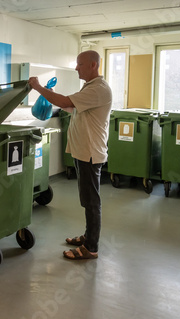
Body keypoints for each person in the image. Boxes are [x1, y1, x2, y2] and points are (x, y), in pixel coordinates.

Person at [28, 50, 112, 260]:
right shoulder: (90, 88)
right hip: (82, 152)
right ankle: (87, 236)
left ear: (93, 65)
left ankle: (91, 247)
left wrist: (38, 88)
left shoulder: (99, 89)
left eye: (79, 64)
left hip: (90, 153)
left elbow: (67, 100)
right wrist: (51, 97)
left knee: (91, 201)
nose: (76, 68)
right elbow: (70, 107)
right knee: (87, 199)